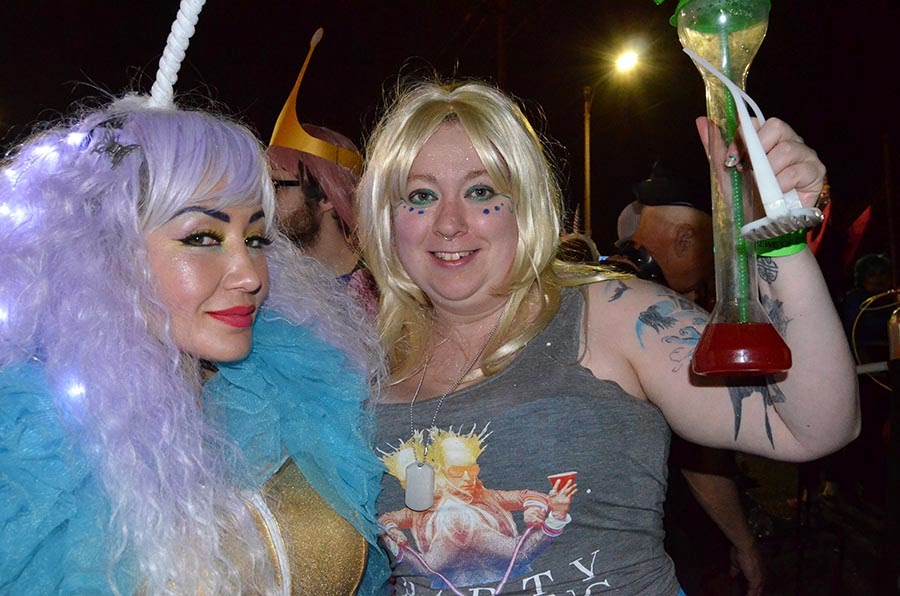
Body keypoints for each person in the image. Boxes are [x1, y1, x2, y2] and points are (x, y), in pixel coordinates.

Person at [356, 79, 860, 595]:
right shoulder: (357, 362)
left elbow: (816, 426)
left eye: (480, 191)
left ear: (525, 204)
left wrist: (778, 237)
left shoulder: (611, 316)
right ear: (386, 217)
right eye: (421, 196)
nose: (449, 223)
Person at [0, 5, 389, 595]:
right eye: (202, 238)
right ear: (106, 253)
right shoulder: (35, 444)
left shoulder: (294, 386)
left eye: (255, 239)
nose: (250, 275)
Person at [612, 163, 764, 596]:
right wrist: (744, 543)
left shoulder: (599, 288)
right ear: (684, 240)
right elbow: (702, 460)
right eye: (712, 249)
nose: (713, 266)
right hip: (660, 545)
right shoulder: (661, 312)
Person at [267, 31, 379, 315]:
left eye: (277, 185)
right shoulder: (268, 289)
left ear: (327, 197)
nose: (264, 200)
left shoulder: (387, 290)